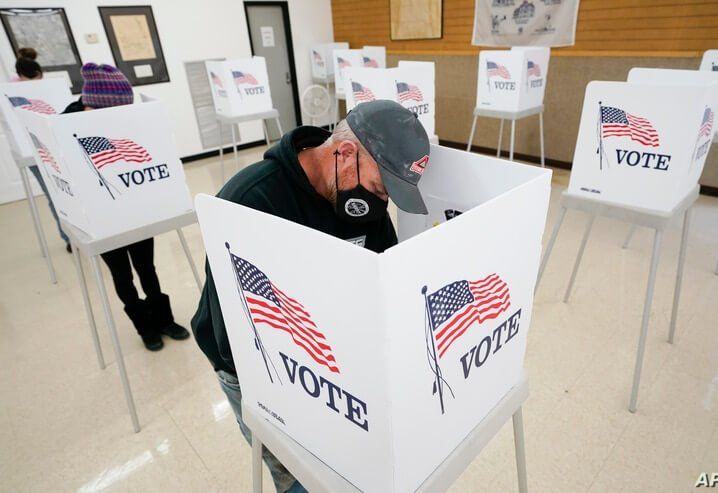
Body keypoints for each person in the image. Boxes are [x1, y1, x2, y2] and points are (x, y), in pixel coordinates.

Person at [191, 100, 430, 493]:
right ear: (346, 153)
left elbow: (382, 279)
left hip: (332, 367)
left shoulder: (364, 197)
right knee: (296, 475)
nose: (380, 202)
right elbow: (232, 335)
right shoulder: (250, 201)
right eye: (378, 188)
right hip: (255, 367)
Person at [63, 63, 190, 351]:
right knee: (122, 275)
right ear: (90, 104)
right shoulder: (64, 127)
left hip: (134, 209)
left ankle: (164, 319)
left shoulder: (123, 121)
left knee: (147, 267)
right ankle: (144, 327)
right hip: (101, 218)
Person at [12, 47, 71, 251]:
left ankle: (76, 232)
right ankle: (68, 237)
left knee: (67, 191)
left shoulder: (49, 87)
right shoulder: (10, 92)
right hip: (33, 151)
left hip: (55, 147)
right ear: (19, 77)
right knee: (52, 194)